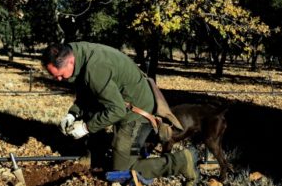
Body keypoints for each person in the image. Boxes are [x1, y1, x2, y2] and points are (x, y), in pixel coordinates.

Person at [41, 41, 200, 185]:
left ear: (70, 61)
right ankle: (95, 156)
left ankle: (181, 162)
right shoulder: (77, 52)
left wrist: (86, 127)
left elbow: (116, 110)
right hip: (123, 102)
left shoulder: (95, 69)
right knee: (103, 132)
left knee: (121, 172)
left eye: (60, 75)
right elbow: (88, 91)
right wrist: (73, 114)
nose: (59, 79)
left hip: (137, 111)